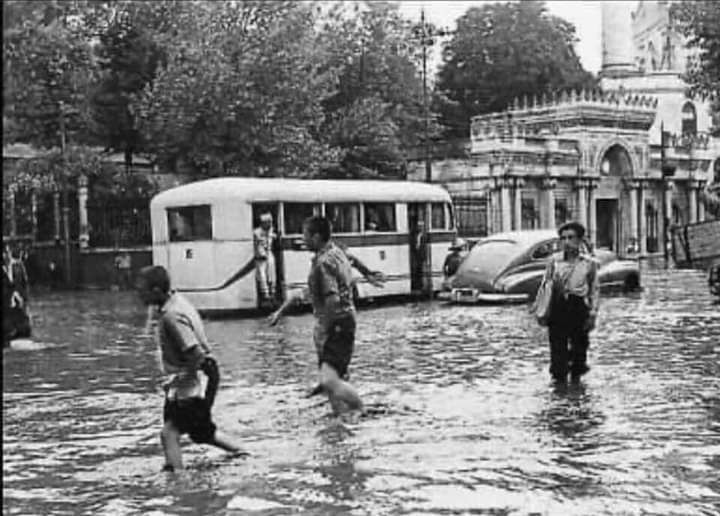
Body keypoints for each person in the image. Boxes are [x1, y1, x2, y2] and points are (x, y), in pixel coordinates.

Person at [268, 216, 382, 415]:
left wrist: (324, 329)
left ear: (317, 237)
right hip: (343, 320)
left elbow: (332, 299)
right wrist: (368, 273)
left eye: (305, 236)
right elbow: (352, 260)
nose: (302, 241)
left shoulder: (323, 264)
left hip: (335, 323)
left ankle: (360, 410)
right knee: (333, 378)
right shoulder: (337, 252)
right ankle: (341, 423)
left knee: (329, 379)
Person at [136, 265, 245, 471]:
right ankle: (242, 451)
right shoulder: (176, 302)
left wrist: (177, 379)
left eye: (142, 290)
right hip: (194, 383)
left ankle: (179, 484)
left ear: (157, 291)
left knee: (169, 434)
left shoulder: (171, 316)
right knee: (201, 433)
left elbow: (196, 354)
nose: (138, 294)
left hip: (190, 386)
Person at [542, 221, 600, 383]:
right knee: (557, 351)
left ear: (580, 240)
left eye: (570, 238)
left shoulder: (589, 263)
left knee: (579, 351)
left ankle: (577, 388)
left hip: (578, 307)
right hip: (558, 306)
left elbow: (594, 290)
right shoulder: (553, 261)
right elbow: (545, 286)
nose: (566, 242)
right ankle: (559, 391)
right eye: (563, 238)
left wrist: (593, 313)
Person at [253, 213, 277, 308]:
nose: (269, 224)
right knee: (262, 276)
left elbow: (273, 238)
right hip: (260, 256)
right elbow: (257, 244)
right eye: (267, 222)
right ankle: (265, 295)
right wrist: (260, 254)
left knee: (272, 274)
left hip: (269, 253)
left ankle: (273, 293)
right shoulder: (257, 232)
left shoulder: (271, 231)